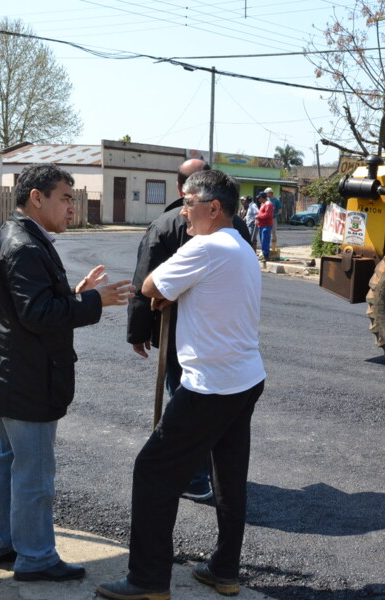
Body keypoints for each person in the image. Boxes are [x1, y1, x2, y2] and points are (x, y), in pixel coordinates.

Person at [98, 170, 266, 600]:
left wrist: (165, 294)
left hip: (210, 386)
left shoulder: (206, 246)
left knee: (152, 471)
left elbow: (151, 283)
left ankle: (147, 580)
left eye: (189, 203)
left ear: (214, 208)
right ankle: (225, 571)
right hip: (245, 378)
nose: (182, 212)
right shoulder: (244, 248)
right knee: (229, 478)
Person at [0, 163, 134, 582]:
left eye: (72, 198)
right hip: (26, 380)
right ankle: (36, 556)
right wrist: (96, 301)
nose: (71, 206)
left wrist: (76, 293)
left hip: (10, 374)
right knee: (34, 471)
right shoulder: (24, 244)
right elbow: (38, 314)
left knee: (8, 461)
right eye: (65, 197)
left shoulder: (19, 235)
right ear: (36, 198)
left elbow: (28, 305)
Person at [127, 158, 251, 501]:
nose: (185, 210)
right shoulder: (235, 227)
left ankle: (194, 478)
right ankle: (208, 474)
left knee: (183, 407)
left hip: (184, 336)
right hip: (227, 337)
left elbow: (145, 283)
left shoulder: (167, 226)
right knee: (211, 414)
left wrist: (139, 331)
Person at [256, 191, 274, 261]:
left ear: (262, 197)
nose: (258, 199)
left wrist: (258, 216)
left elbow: (267, 215)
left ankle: (266, 255)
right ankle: (264, 254)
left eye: (259, 198)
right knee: (262, 240)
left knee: (265, 240)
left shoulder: (268, 204)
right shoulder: (262, 204)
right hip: (261, 225)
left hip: (266, 225)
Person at [264, 187, 281, 251]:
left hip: (273, 219)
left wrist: (274, 215)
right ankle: (267, 248)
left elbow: (280, 210)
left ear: (271, 193)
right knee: (266, 232)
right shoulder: (267, 200)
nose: (266, 194)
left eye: (267, 193)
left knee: (273, 232)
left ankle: (273, 248)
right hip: (266, 219)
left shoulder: (276, 200)